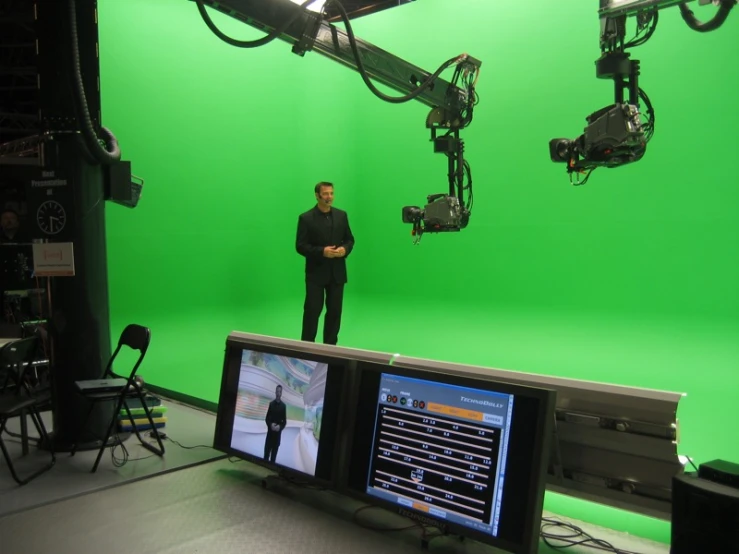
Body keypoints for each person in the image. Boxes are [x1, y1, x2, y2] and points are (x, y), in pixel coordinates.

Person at [296, 181, 355, 345]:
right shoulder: (306, 218)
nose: (329, 197)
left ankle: (330, 348)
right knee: (312, 311)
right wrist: (322, 252)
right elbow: (300, 246)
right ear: (317, 196)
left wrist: (344, 249)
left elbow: (350, 239)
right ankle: (306, 347)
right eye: (325, 194)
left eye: (331, 193)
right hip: (316, 274)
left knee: (335, 312)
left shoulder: (341, 215)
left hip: (337, 273)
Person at [263, 385, 287, 464]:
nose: (278, 393)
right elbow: (267, 418)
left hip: (277, 438)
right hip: (269, 436)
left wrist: (280, 427)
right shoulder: (271, 404)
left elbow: (284, 422)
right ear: (275, 392)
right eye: (277, 391)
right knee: (265, 457)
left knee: (273, 460)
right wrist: (270, 425)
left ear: (281, 393)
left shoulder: (283, 406)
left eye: (280, 391)